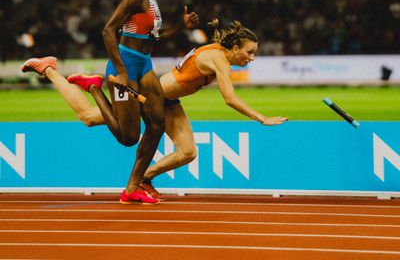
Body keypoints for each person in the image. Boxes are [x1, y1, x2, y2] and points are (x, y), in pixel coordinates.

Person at [21, 19, 288, 201]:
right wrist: (261, 118)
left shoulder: (220, 54)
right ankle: (53, 71)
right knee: (89, 117)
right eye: (250, 52)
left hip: (167, 101)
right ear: (235, 47)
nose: (251, 58)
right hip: (150, 98)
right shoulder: (219, 58)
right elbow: (229, 99)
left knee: (187, 152)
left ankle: (145, 180)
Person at [22, 0, 199, 205]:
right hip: (125, 65)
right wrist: (123, 72)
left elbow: (154, 38)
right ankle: (94, 88)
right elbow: (108, 31)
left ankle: (132, 188)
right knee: (128, 137)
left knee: (158, 123)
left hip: (144, 64)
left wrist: (183, 26)